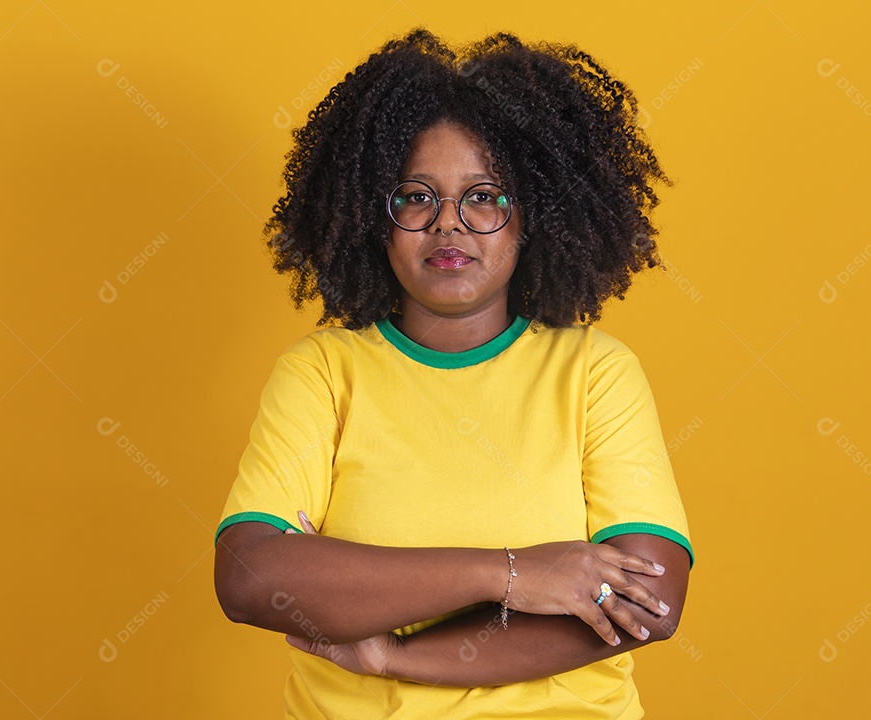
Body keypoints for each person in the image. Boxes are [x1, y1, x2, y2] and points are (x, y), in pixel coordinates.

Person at [213, 28, 693, 719]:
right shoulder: (322, 374)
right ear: (372, 217)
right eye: (415, 197)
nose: (449, 226)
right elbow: (252, 576)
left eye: (485, 198)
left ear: (534, 218)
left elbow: (649, 602)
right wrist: (516, 573)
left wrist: (394, 655)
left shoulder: (594, 373)